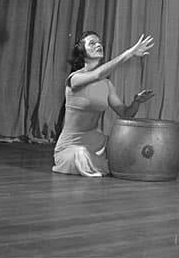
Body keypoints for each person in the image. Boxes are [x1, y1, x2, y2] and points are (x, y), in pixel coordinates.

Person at [52, 32, 155, 177]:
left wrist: (136, 101)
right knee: (81, 155)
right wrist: (129, 53)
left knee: (129, 152)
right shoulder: (74, 79)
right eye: (92, 43)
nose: (98, 45)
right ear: (82, 51)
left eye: (99, 42)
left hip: (98, 142)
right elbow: (96, 75)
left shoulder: (106, 84)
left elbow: (126, 114)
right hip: (71, 146)